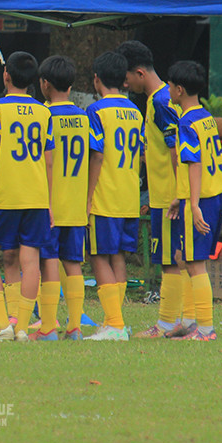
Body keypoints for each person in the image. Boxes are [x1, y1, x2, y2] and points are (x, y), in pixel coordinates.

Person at [0, 51, 54, 342]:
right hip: (36, 197)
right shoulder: (44, 112)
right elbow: (49, 161)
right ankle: (22, 328)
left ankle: (1, 323)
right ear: (34, 80)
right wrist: (49, 203)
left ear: (6, 76)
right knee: (31, 261)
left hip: (6, 196)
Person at [116, 41, 190, 339]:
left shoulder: (160, 101)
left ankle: (166, 323)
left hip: (168, 197)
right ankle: (186, 320)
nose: (125, 84)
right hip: (167, 194)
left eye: (126, 78)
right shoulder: (159, 99)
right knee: (179, 259)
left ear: (139, 73)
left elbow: (176, 149)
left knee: (170, 261)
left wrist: (180, 193)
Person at [166, 60, 222, 341]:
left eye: (170, 86)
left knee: (195, 264)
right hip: (214, 195)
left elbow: (194, 163)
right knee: (183, 258)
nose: (168, 90)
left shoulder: (186, 122)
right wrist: (180, 198)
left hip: (201, 200)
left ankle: (205, 329)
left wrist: (192, 204)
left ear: (179, 90)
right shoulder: (206, 117)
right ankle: (190, 321)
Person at [84, 51, 143, 342]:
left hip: (105, 196)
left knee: (98, 256)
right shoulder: (136, 112)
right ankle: (114, 321)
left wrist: (87, 197)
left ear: (97, 80)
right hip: (129, 195)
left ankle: (116, 324)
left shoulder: (96, 111)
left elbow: (97, 155)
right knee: (118, 256)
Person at [37, 55, 94, 340]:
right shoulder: (84, 117)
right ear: (70, 86)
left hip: (49, 203)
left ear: (45, 84)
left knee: (47, 262)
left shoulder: (43, 115)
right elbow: (96, 154)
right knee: (73, 263)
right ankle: (74, 327)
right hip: (75, 203)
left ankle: (48, 326)